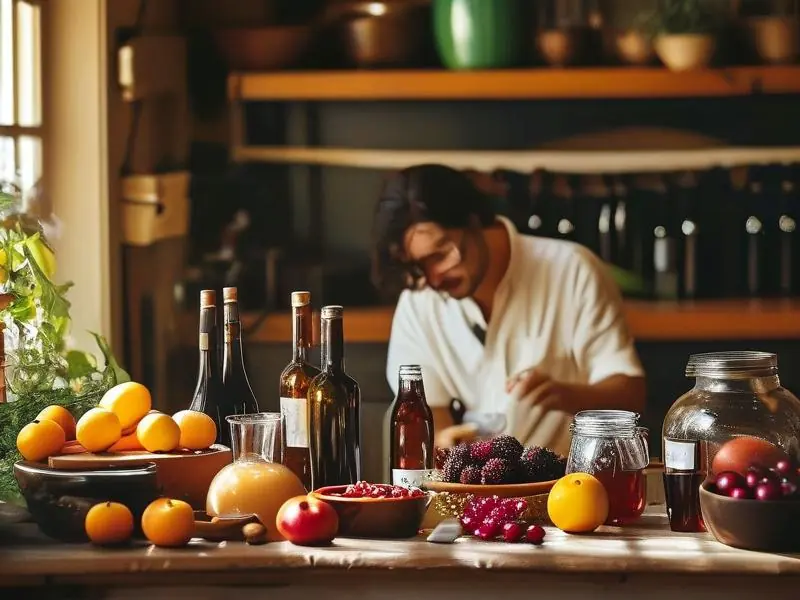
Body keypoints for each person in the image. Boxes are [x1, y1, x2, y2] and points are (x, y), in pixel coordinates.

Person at [371, 164, 646, 457]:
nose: (434, 278)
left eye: (440, 254)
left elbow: (631, 394)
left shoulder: (571, 269)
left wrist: (566, 395)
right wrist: (445, 442)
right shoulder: (420, 297)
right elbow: (430, 413)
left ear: (473, 218)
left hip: (566, 487)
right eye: (416, 266)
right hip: (469, 490)